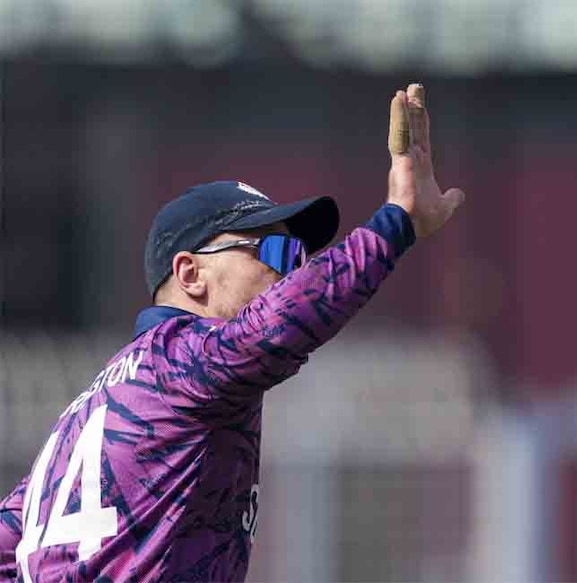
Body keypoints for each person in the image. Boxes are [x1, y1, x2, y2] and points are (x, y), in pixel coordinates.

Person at [0, 83, 464, 581]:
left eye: (299, 257)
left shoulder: (90, 408)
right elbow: (283, 321)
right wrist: (397, 222)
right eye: (274, 253)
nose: (291, 273)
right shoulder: (180, 363)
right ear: (190, 274)